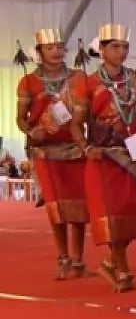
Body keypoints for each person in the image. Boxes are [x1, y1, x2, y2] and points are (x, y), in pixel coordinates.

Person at [70, 24, 136, 292]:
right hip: (103, 155)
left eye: (124, 46)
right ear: (101, 50)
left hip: (135, 151)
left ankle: (113, 261)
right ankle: (122, 266)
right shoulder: (88, 84)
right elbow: (75, 124)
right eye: (114, 46)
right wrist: (84, 146)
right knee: (111, 212)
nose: (121, 51)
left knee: (135, 208)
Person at [15, 29, 90, 280]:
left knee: (79, 208)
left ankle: (78, 260)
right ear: (39, 52)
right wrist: (30, 131)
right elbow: (20, 118)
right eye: (50, 47)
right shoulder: (28, 82)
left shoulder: (79, 78)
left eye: (60, 46)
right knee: (56, 208)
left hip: (75, 150)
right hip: (45, 152)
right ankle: (63, 258)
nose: (57, 51)